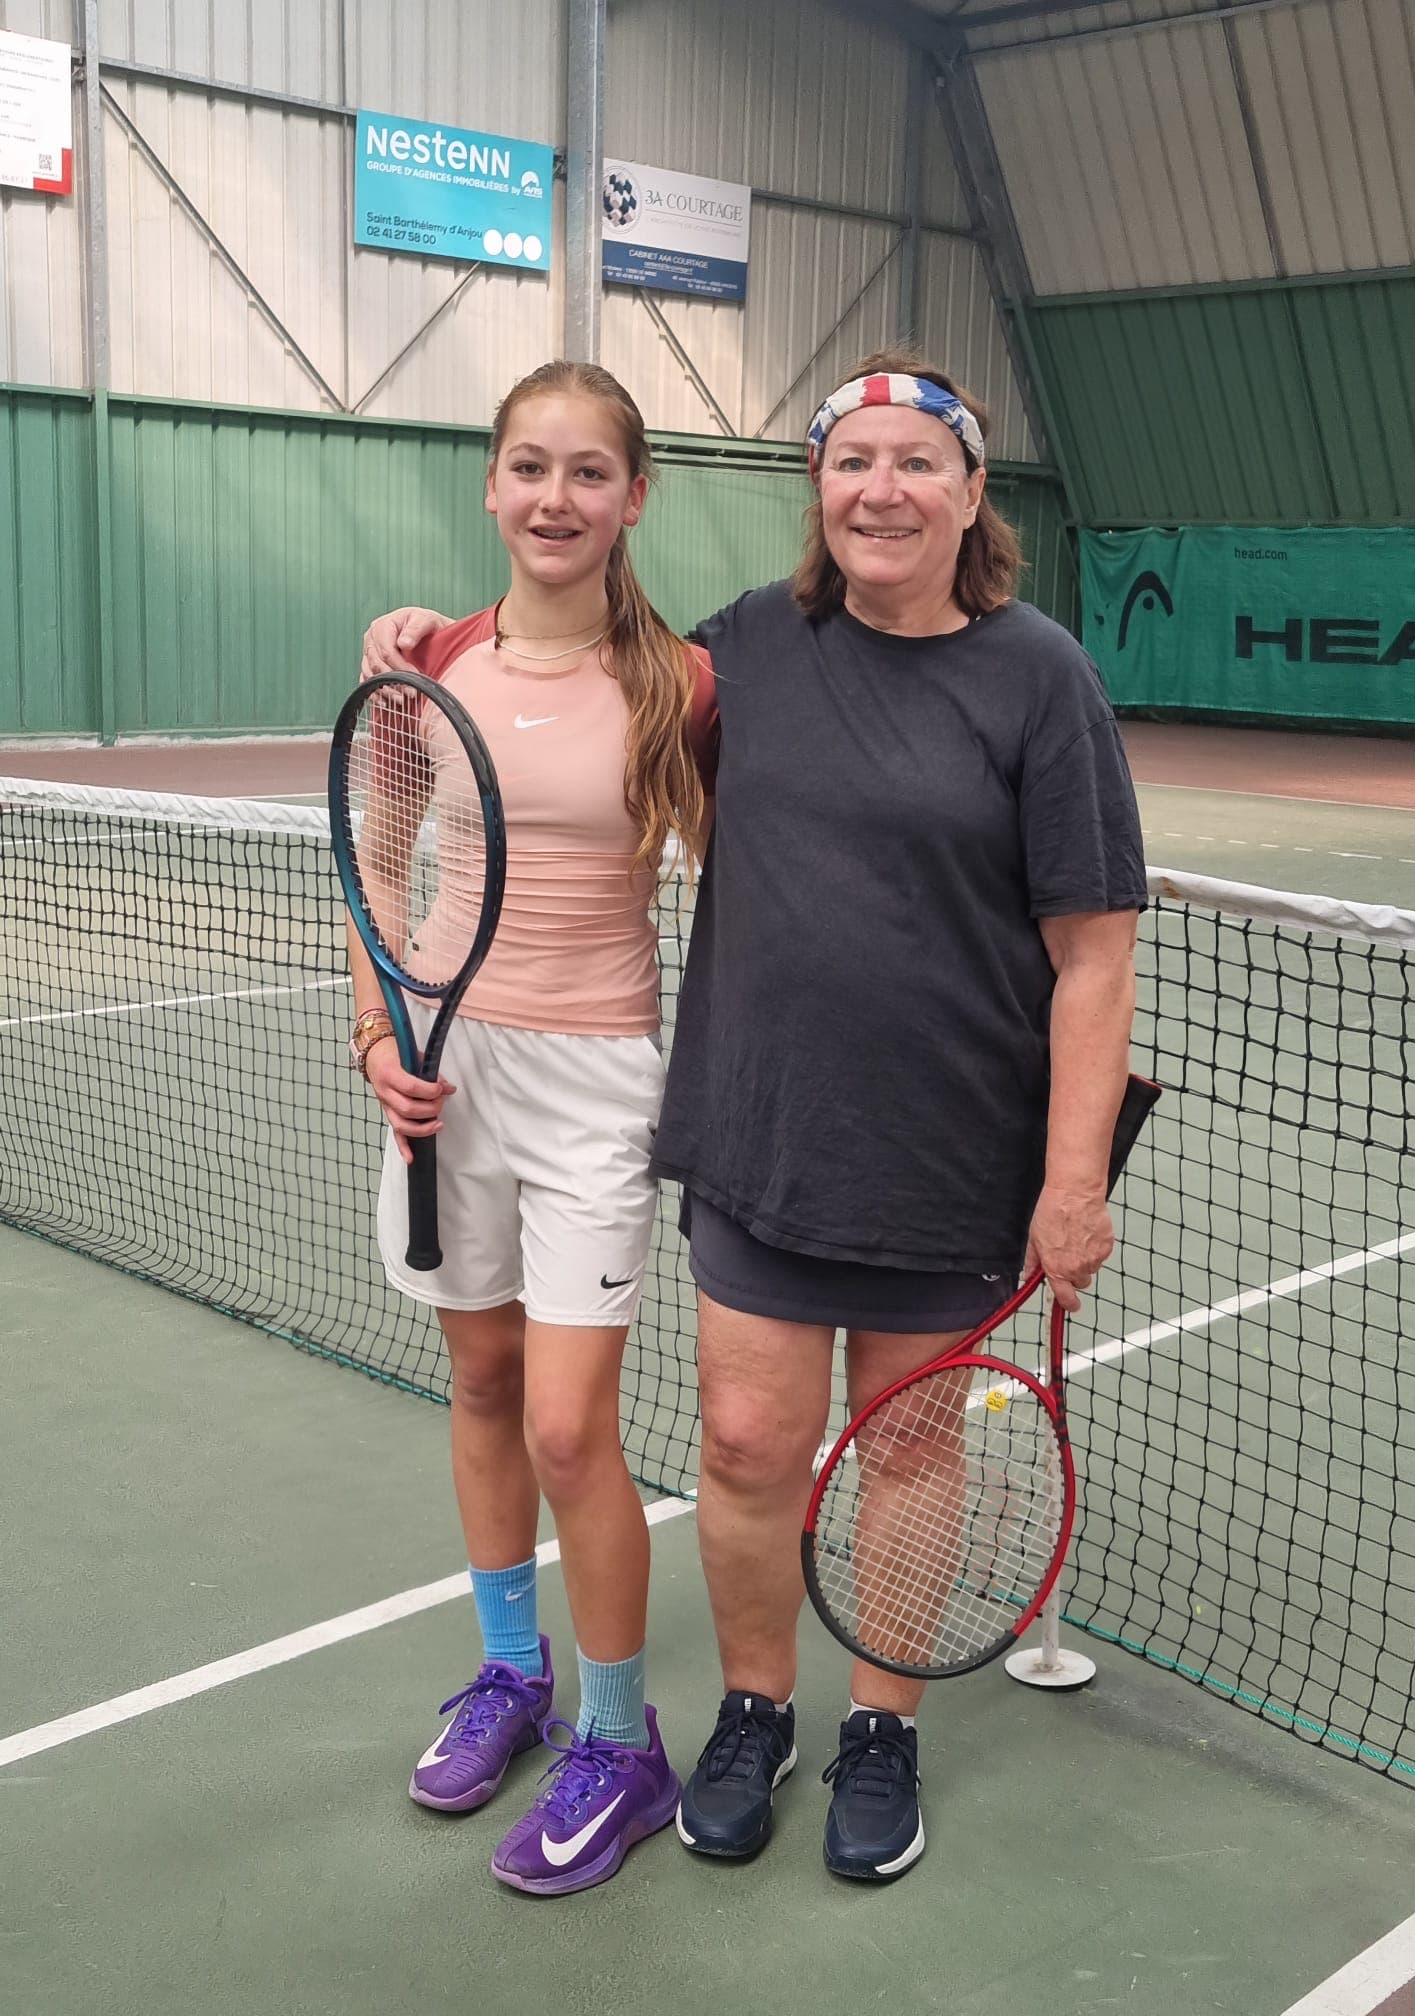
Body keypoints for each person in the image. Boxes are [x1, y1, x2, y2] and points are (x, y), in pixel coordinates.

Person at [362, 348, 1146, 1885]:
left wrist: (1073, 1180)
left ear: (971, 492)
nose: (883, 490)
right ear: (818, 489)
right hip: (760, 1129)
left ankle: (883, 1731)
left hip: (947, 1145)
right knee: (741, 1446)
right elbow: (574, 650)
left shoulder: (1040, 676)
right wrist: (424, 634)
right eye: (854, 462)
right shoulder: (746, 651)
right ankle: (752, 1712)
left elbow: (1096, 954)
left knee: (908, 1451)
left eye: (917, 464)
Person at [348, 359, 717, 1897]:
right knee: (484, 1382)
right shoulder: (423, 660)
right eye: (528, 467)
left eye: (587, 472)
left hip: (595, 1085)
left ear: (633, 497)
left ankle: (622, 1744)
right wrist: (379, 1033)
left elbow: (749, 883)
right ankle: (512, 1674)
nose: (553, 497)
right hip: (445, 1065)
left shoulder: (682, 684)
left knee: (571, 1426)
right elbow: (378, 857)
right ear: (492, 483)